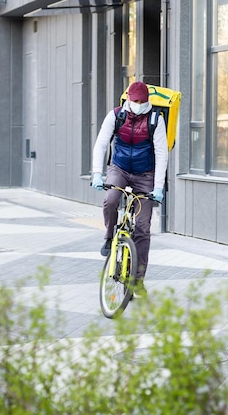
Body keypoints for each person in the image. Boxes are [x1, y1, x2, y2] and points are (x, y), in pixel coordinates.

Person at [91, 81, 168, 298]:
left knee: (143, 228)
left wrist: (159, 188)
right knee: (111, 199)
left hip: (145, 175)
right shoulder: (116, 116)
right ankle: (108, 236)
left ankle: (137, 281)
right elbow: (101, 144)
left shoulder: (156, 120)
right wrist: (98, 173)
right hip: (120, 169)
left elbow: (162, 154)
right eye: (136, 101)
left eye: (143, 101)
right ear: (128, 100)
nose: (140, 104)